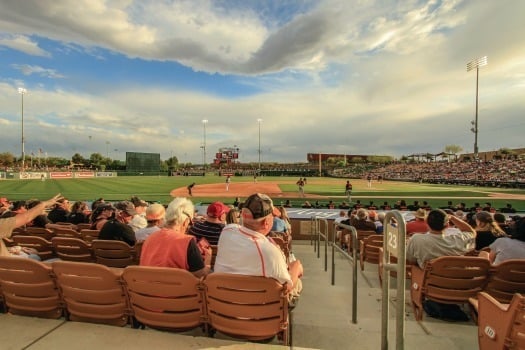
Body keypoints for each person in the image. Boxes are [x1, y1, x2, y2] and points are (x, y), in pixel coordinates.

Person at [214, 193, 303, 297]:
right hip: (259, 309)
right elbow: (287, 287)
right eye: (272, 216)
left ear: (243, 215)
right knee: (297, 279)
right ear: (266, 222)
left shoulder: (227, 230)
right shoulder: (269, 251)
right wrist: (297, 268)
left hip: (221, 304)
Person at [140, 197, 211, 278]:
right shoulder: (187, 241)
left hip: (146, 288)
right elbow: (200, 274)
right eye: (190, 223)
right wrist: (208, 260)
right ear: (186, 221)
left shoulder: (149, 238)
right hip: (175, 289)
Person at [406, 209, 477, 269]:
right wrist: (452, 217)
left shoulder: (416, 239)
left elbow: (411, 260)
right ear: (447, 225)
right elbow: (471, 232)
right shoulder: (459, 239)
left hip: (430, 281)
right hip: (459, 281)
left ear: (427, 223)